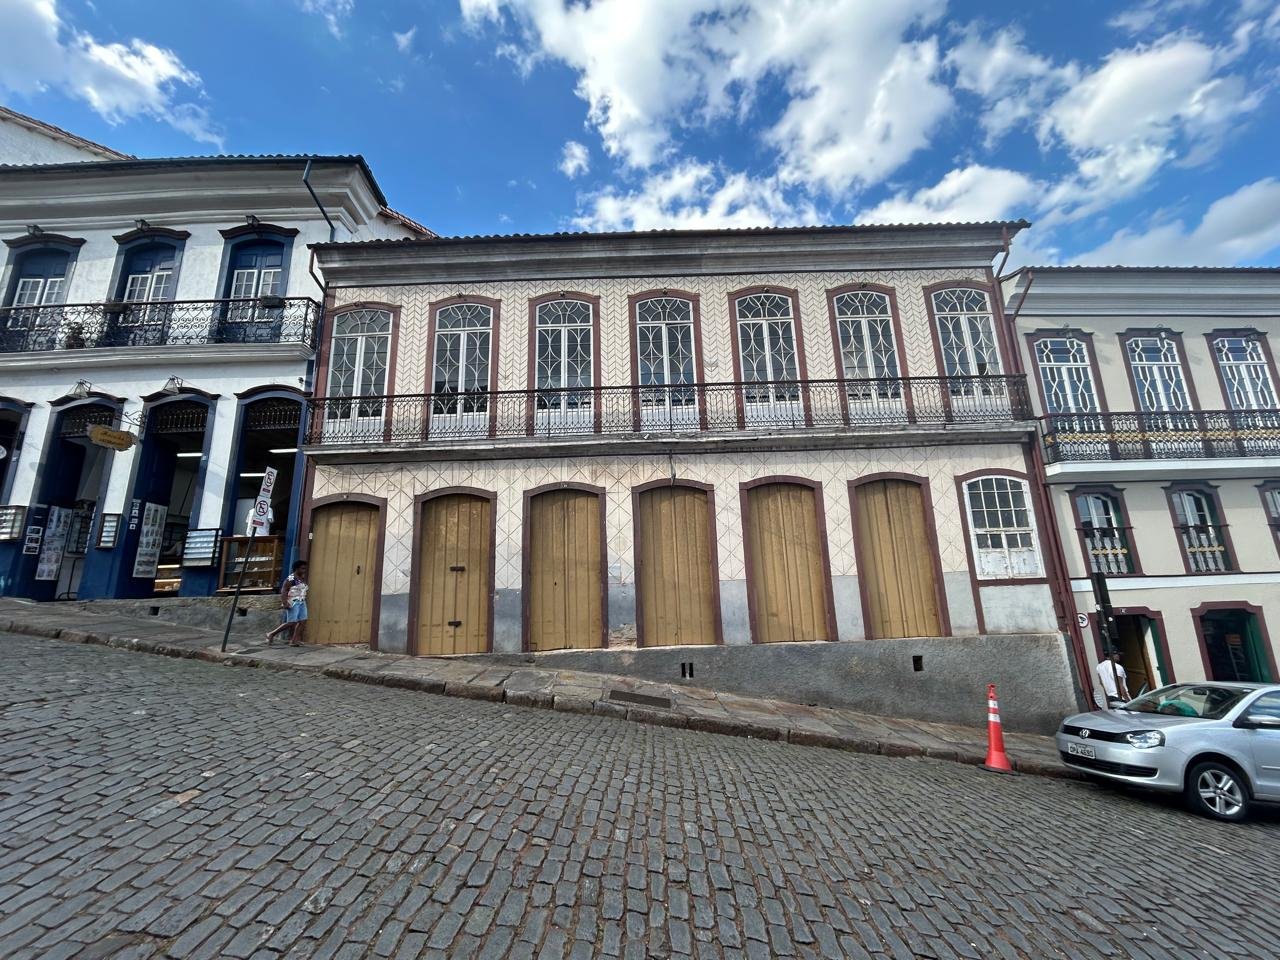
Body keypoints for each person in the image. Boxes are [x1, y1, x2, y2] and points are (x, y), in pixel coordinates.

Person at [266, 560, 308, 646]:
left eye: (305, 568)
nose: (304, 570)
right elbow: (284, 590)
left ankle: (294, 640)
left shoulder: (301, 577)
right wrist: (285, 603)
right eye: (302, 568)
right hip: (293, 602)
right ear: (297, 569)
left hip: (301, 601)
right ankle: (271, 634)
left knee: (303, 621)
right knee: (291, 622)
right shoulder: (291, 578)